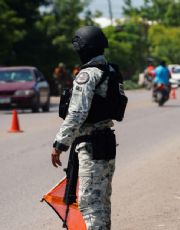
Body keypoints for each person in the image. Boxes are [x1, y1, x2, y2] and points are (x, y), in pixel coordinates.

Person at [51, 26, 125, 230]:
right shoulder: (111, 71)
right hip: (106, 142)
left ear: (81, 49)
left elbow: (77, 112)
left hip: (91, 145)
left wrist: (60, 143)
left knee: (90, 204)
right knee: (101, 202)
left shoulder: (88, 75)